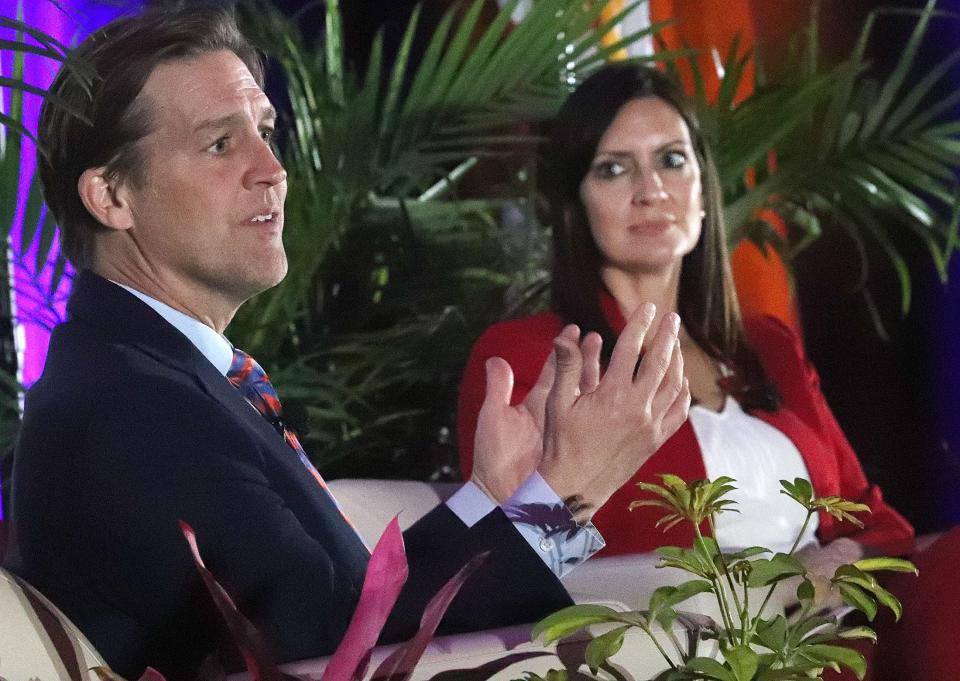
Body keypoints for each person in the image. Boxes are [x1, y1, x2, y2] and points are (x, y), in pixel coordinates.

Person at [6, 9, 690, 681]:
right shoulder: (130, 406)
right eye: (221, 144)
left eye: (267, 133)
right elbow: (344, 658)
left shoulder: (155, 375)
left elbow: (353, 605)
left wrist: (497, 498)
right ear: (112, 195)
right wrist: (569, 491)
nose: (271, 168)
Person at [458, 64, 915, 573]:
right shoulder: (529, 356)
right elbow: (495, 578)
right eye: (612, 168)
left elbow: (875, 522)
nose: (651, 190)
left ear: (703, 192)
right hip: (653, 646)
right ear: (573, 202)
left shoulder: (768, 344)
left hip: (825, 640)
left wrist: (839, 562)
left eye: (672, 160)